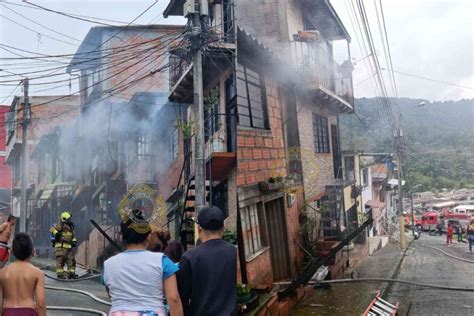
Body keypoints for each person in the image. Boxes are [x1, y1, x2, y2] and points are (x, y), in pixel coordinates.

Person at [103, 210, 183, 316]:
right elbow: (173, 298)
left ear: (122, 237)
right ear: (148, 236)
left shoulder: (108, 265)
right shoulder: (162, 261)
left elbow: (111, 294)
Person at [177, 206, 237, 316]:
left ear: (199, 228)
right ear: (223, 227)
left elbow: (181, 298)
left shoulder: (189, 258)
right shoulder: (234, 252)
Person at [0, 233, 46, 316]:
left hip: (8, 312)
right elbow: (41, 303)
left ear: (12, 251)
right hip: (28, 312)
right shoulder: (38, 273)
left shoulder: (2, 273)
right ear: (32, 251)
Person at [49, 211, 78, 279]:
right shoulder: (60, 226)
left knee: (71, 261)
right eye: (68, 219)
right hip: (60, 248)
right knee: (60, 262)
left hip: (68, 249)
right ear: (64, 219)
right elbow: (51, 229)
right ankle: (60, 274)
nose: (70, 220)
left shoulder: (70, 227)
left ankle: (71, 274)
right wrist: (56, 233)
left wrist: (74, 241)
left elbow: (72, 236)